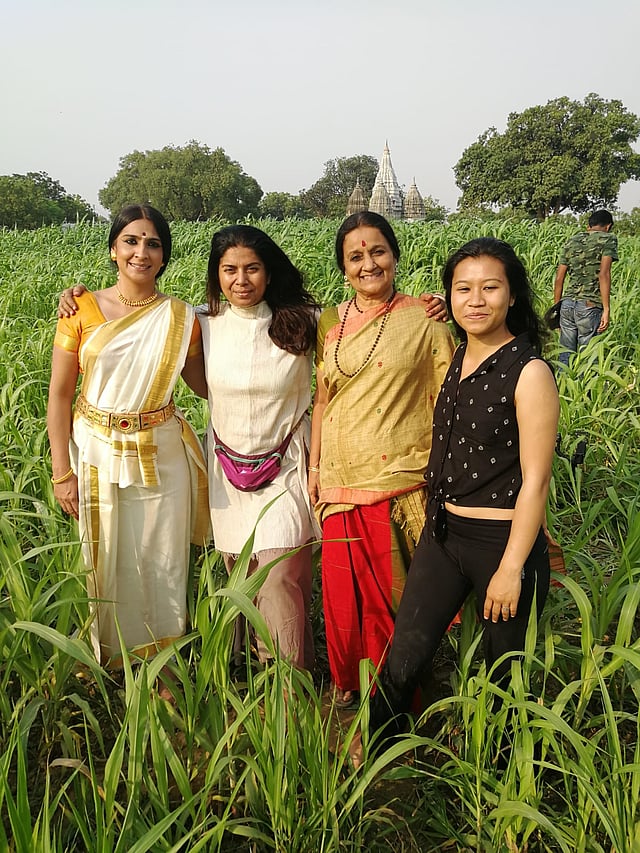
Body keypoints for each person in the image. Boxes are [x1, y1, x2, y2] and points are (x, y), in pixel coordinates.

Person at [362, 237, 559, 759]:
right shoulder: (457, 356)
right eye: (462, 288)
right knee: (406, 653)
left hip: (502, 540)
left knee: (503, 674)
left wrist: (512, 567)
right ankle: (375, 761)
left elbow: (536, 481)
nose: (476, 299)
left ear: (512, 294)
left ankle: (497, 784)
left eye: (490, 287)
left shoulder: (529, 372)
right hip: (444, 533)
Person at [47, 204, 209, 690]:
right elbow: (58, 394)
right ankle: (110, 661)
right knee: (104, 553)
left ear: (164, 256)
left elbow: (205, 386)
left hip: (162, 452)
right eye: (132, 241)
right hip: (95, 449)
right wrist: (62, 471)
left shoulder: (182, 318)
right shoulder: (81, 310)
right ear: (114, 249)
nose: (142, 252)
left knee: (164, 554)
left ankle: (165, 664)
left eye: (153, 243)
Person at [308, 211, 455, 708]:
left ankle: (399, 694)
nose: (368, 264)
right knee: (344, 599)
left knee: (399, 597)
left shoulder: (424, 317)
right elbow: (323, 400)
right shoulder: (331, 323)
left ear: (394, 255)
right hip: (338, 480)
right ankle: (350, 684)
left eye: (377, 252)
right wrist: (313, 467)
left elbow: (447, 397)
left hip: (400, 478)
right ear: (343, 267)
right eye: (355, 256)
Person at [198, 224, 321, 671]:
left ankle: (291, 694)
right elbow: (133, 319)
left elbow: (364, 322)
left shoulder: (306, 320)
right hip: (227, 471)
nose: (241, 280)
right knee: (242, 580)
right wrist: (77, 298)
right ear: (216, 276)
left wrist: (433, 307)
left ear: (270, 273)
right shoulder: (201, 326)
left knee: (282, 578)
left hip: (287, 468)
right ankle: (254, 689)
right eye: (229, 270)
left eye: (252, 269)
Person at [553, 209, 617, 366]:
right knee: (588, 361)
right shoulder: (608, 239)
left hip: (567, 305)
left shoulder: (572, 240)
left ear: (589, 225)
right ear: (608, 226)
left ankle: (563, 388)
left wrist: (557, 309)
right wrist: (607, 309)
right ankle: (586, 391)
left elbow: (559, 278)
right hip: (589, 306)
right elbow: (604, 274)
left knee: (565, 357)